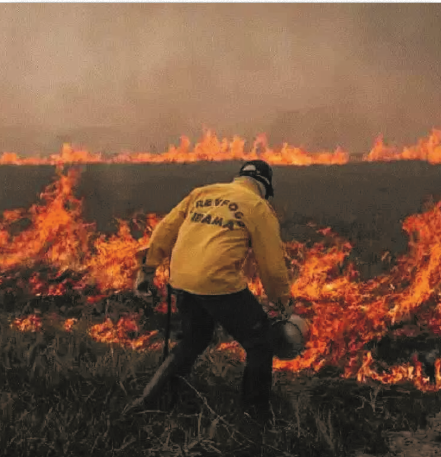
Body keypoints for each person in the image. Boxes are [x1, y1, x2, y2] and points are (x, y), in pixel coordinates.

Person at [135, 160, 292, 425]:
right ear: (264, 186)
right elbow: (272, 264)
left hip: (182, 278)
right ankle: (256, 417)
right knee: (261, 343)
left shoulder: (202, 193)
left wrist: (147, 269)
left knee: (194, 340)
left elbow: (165, 229)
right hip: (218, 283)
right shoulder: (258, 206)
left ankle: (153, 399)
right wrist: (283, 302)